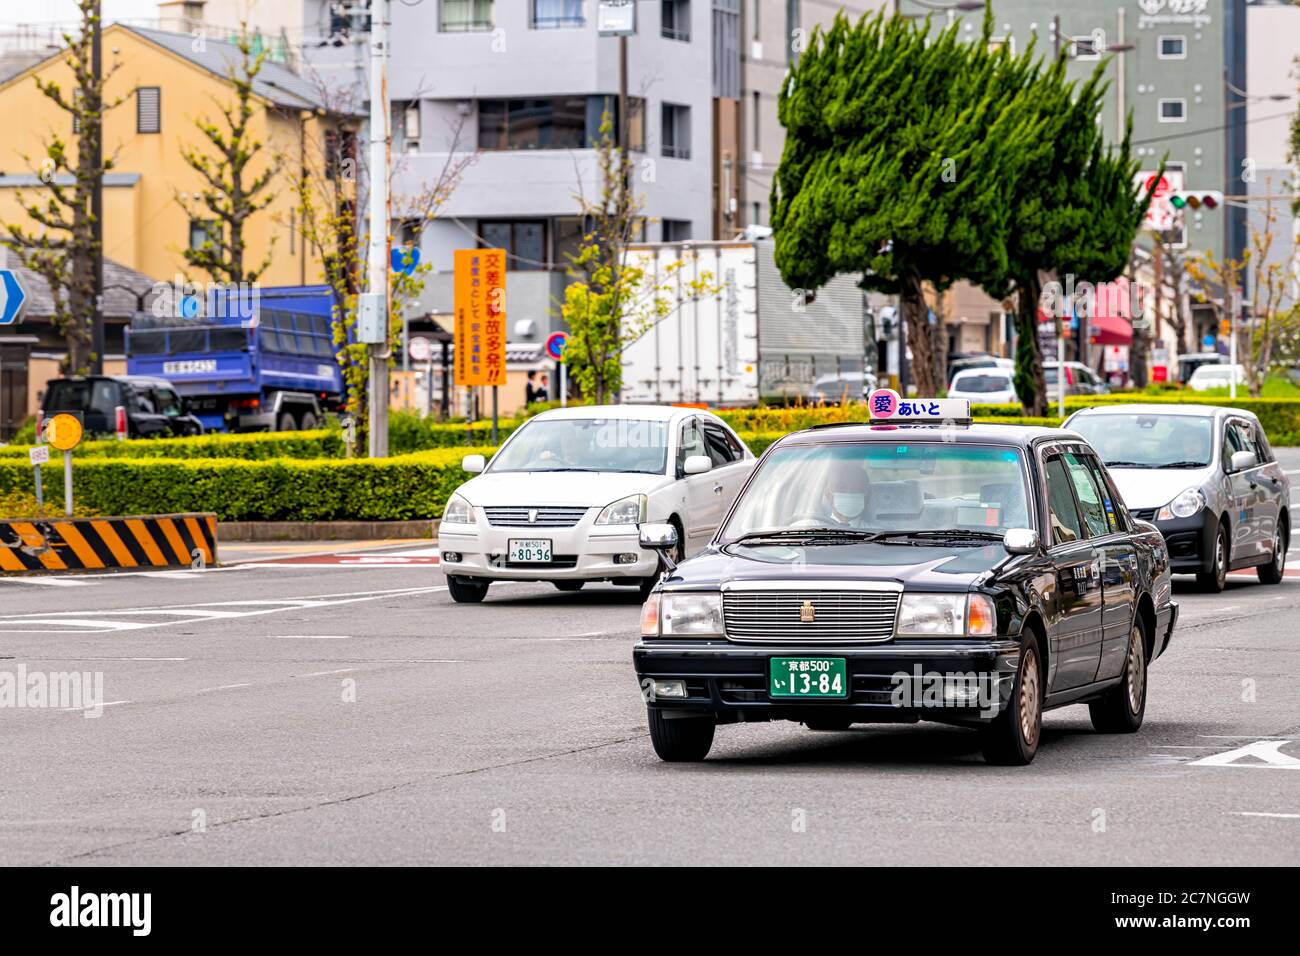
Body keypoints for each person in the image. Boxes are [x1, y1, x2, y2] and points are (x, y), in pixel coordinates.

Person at [819, 459, 872, 527]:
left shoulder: (880, 533)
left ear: (867, 494)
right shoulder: (812, 530)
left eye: (856, 488)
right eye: (841, 488)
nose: (849, 493)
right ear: (827, 494)